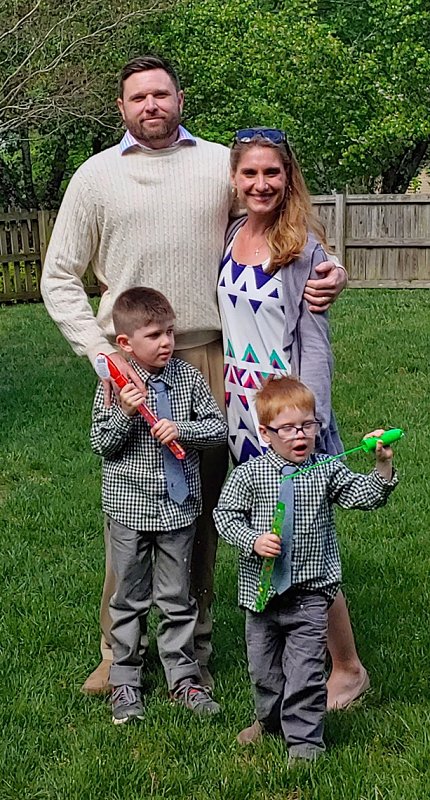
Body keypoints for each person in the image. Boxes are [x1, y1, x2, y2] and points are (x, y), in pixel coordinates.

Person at [40, 54, 346, 696]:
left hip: (216, 360)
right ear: (121, 109)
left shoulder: (216, 164)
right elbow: (58, 276)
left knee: (204, 513)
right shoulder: (96, 176)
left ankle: (193, 651)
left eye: (161, 94)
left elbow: (278, 216)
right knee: (133, 505)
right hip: (131, 367)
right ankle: (116, 650)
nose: (150, 105)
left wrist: (330, 266)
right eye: (136, 98)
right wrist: (103, 357)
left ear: (180, 99)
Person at [217, 127, 369, 710]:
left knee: (307, 544)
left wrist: (309, 424)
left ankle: (348, 667)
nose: (261, 184)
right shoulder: (233, 234)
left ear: (289, 178)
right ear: (235, 179)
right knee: (267, 538)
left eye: (272, 173)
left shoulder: (301, 246)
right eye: (250, 173)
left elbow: (317, 342)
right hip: (245, 415)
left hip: (290, 422)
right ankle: (281, 652)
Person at [213, 376, 398, 760]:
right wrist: (252, 540)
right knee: (264, 672)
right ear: (266, 433)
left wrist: (381, 468)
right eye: (289, 429)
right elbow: (224, 516)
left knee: (306, 673)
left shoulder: (325, 470)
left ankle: (305, 741)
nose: (300, 436)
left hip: (309, 596)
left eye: (308, 425)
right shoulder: (249, 475)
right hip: (261, 596)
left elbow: (362, 496)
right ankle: (269, 722)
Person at [90, 287, 227, 723]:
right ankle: (125, 681)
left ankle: (183, 678)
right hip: (129, 513)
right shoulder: (115, 386)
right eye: (154, 335)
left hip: (178, 510)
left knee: (177, 597)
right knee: (128, 599)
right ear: (125, 343)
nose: (166, 342)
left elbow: (216, 429)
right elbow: (101, 444)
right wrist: (125, 414)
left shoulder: (188, 379)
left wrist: (183, 430)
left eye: (170, 332)